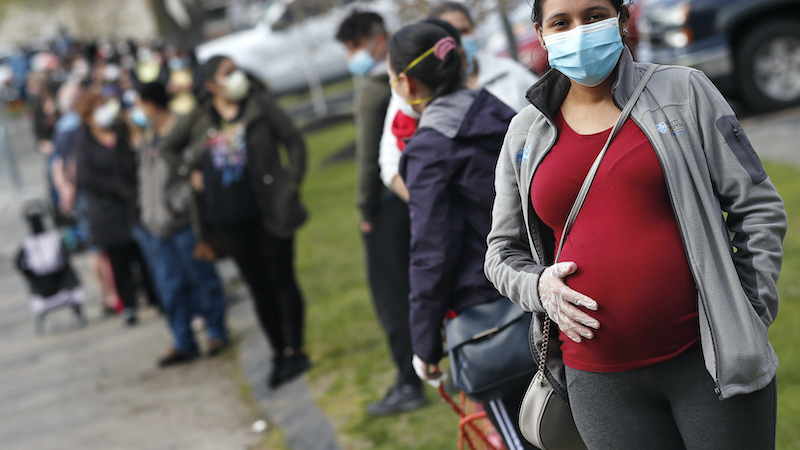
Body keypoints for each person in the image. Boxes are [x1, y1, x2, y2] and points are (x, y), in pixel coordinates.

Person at [484, 0, 787, 448]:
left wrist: (750, 312)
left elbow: (757, 205)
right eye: (561, 22)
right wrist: (539, 287)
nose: (579, 31)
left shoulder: (684, 91)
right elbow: (501, 252)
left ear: (622, 20)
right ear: (541, 34)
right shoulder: (525, 132)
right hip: (600, 384)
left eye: (593, 16)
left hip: (709, 362)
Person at [389, 22, 534, 449]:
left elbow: (431, 253)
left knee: (524, 434)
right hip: (550, 288)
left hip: (492, 318)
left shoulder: (429, 150)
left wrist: (424, 345)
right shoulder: (508, 117)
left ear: (407, 83)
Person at [161, 56, 310, 388]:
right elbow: (168, 149)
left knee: (282, 280)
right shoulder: (200, 117)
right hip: (228, 219)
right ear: (211, 85)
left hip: (269, 211)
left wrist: (291, 185)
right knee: (258, 287)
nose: (237, 76)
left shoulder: (259, 106)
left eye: (236, 70)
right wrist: (189, 173)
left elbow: (294, 141)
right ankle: (278, 352)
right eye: (227, 73)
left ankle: (296, 350)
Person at [335, 10, 426, 416]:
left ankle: (408, 380)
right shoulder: (412, 77)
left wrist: (363, 207)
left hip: (388, 203)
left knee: (392, 296)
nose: (350, 55)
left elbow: (367, 159)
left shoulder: (374, 91)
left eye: (354, 46)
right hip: (417, 194)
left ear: (376, 42)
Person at [379, 4, 539, 202]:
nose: (457, 41)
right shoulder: (409, 98)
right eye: (449, 34)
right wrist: (423, 200)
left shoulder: (508, 72)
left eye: (464, 31)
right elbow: (390, 162)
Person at [132, 81, 229, 367]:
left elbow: (193, 174)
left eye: (139, 106)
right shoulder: (148, 136)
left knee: (202, 278)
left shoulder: (181, 131)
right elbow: (144, 176)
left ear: (151, 105)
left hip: (183, 222)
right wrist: (146, 211)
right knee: (170, 287)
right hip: (156, 226)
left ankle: (216, 332)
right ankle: (182, 340)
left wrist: (178, 206)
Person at [75, 87, 159, 325]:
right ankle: (129, 305)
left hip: (132, 206)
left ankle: (155, 298)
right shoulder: (84, 142)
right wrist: (118, 189)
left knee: (144, 257)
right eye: (96, 109)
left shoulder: (120, 131)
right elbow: (87, 177)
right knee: (119, 262)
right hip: (108, 213)